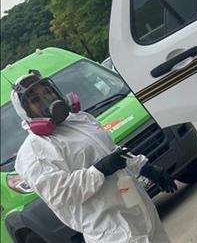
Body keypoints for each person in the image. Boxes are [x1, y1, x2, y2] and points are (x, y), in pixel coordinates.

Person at [11, 70, 175, 242]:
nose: (46, 99)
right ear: (25, 111)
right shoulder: (33, 151)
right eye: (35, 100)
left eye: (47, 92)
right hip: (110, 228)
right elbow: (59, 193)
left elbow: (110, 151)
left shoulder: (79, 119)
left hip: (138, 210)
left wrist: (143, 166)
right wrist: (99, 170)